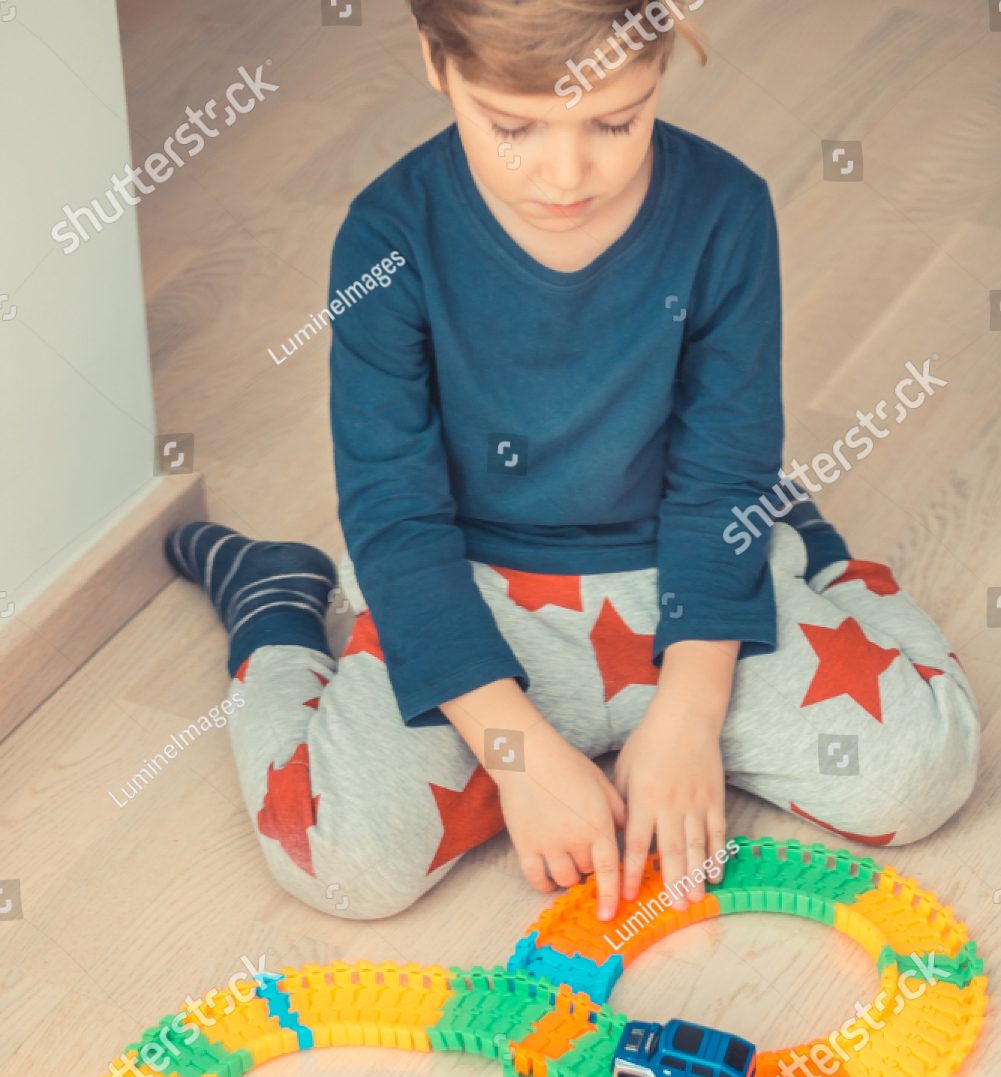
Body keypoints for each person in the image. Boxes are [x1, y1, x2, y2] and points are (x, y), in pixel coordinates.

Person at [165, 0, 978, 923]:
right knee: (342, 863)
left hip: (687, 577)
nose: (565, 173)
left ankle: (807, 546)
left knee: (921, 775)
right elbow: (394, 513)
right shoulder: (386, 236)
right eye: (512, 127)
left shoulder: (726, 209)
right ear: (437, 61)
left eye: (614, 122)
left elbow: (716, 478)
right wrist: (516, 755)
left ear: (661, 58)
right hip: (472, 602)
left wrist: (689, 716)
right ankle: (272, 602)